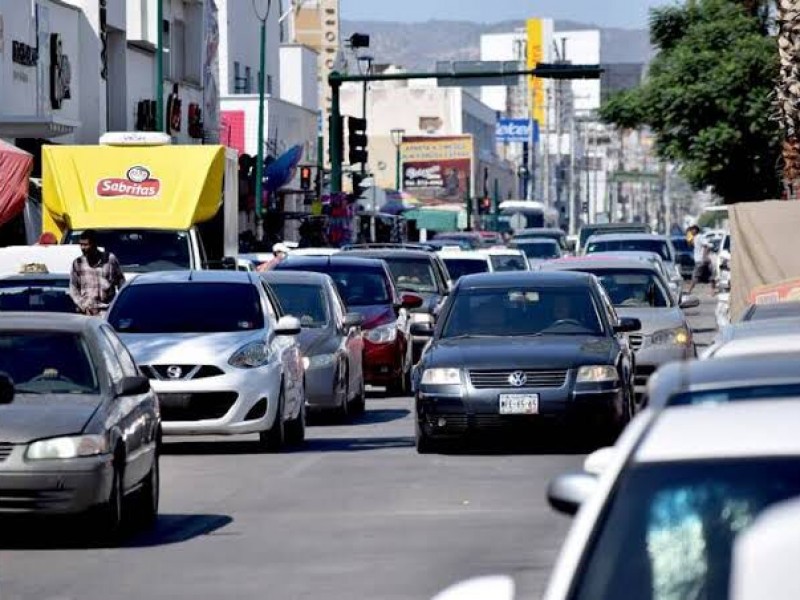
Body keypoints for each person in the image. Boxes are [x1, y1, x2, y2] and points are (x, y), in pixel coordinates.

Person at [69, 229, 125, 316]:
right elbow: (73, 289)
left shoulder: (110, 259)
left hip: (107, 311)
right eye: (81, 244)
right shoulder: (78, 263)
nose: (83, 248)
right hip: (87, 312)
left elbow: (121, 282)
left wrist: (118, 304)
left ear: (94, 244)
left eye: (86, 245)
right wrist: (82, 305)